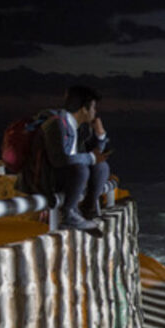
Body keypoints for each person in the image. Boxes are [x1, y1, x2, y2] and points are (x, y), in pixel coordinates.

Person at [39, 85, 111, 231]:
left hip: (68, 175)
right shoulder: (57, 124)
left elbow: (95, 156)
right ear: (84, 109)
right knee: (80, 169)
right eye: (93, 108)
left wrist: (100, 135)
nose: (95, 112)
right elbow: (61, 159)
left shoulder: (77, 126)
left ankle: (88, 209)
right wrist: (90, 158)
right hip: (49, 177)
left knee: (101, 167)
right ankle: (68, 214)